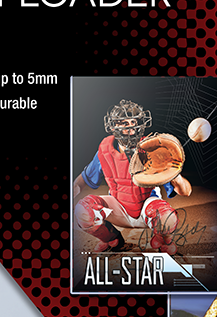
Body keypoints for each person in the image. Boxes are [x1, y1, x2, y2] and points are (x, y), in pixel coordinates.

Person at [72, 100, 191, 255]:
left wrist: (175, 174)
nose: (131, 127)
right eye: (124, 123)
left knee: (167, 218)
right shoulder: (105, 150)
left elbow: (186, 192)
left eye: (133, 122)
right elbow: (80, 182)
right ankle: (111, 239)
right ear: (113, 127)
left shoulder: (152, 149)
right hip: (118, 208)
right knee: (82, 210)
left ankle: (163, 240)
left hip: (147, 209)